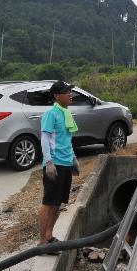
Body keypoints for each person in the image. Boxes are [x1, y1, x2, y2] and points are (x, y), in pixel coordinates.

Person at [38, 80, 80, 248]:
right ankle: (42, 242)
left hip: (65, 163)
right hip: (54, 164)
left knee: (57, 202)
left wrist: (73, 159)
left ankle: (49, 236)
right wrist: (48, 162)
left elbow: (67, 140)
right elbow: (45, 139)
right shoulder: (51, 114)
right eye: (66, 92)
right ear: (56, 96)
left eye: (70, 91)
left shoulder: (66, 113)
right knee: (49, 202)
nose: (70, 94)